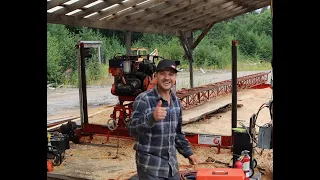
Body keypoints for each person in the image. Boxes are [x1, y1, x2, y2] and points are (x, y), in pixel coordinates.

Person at [128, 59, 198, 180]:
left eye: (171, 74)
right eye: (163, 74)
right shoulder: (144, 99)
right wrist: (151, 118)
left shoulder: (176, 102)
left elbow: (177, 133)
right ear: (156, 76)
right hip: (150, 168)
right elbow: (132, 129)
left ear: (175, 78)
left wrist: (188, 152)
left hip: (171, 167)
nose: (167, 78)